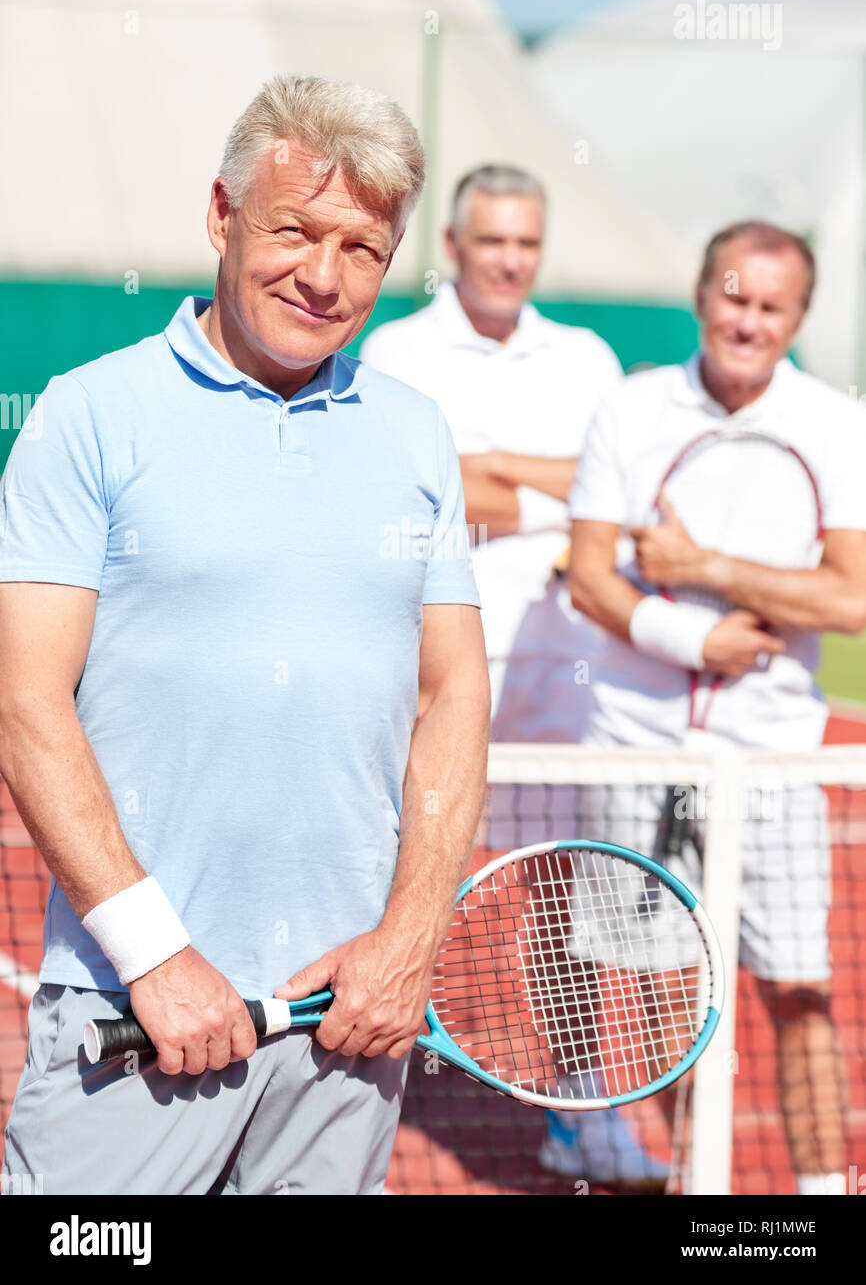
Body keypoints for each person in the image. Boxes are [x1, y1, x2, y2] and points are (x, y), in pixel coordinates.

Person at [0, 74, 490, 1195]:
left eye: (361, 248)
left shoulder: (415, 433)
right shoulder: (88, 414)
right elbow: (25, 704)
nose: (323, 276)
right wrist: (154, 958)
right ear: (221, 216)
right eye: (293, 231)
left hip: (349, 1018)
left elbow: (449, 694)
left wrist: (407, 936)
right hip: (136, 1010)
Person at [559, 220, 866, 1195]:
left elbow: (852, 599)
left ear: (796, 319)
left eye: (771, 308)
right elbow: (587, 575)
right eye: (733, 298)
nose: (747, 321)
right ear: (701, 297)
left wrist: (704, 571)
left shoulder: (831, 423)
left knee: (798, 991)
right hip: (635, 751)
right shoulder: (629, 408)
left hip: (773, 762)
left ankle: (820, 1202)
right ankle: (698, 1188)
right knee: (666, 997)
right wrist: (691, 636)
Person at [361, 164, 621, 744]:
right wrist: (566, 505)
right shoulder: (396, 351)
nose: (511, 261)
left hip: (572, 664)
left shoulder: (587, 358)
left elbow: (620, 492)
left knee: (562, 839)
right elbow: (419, 505)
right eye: (492, 241)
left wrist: (491, 464)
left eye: (527, 243)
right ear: (452, 244)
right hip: (436, 661)